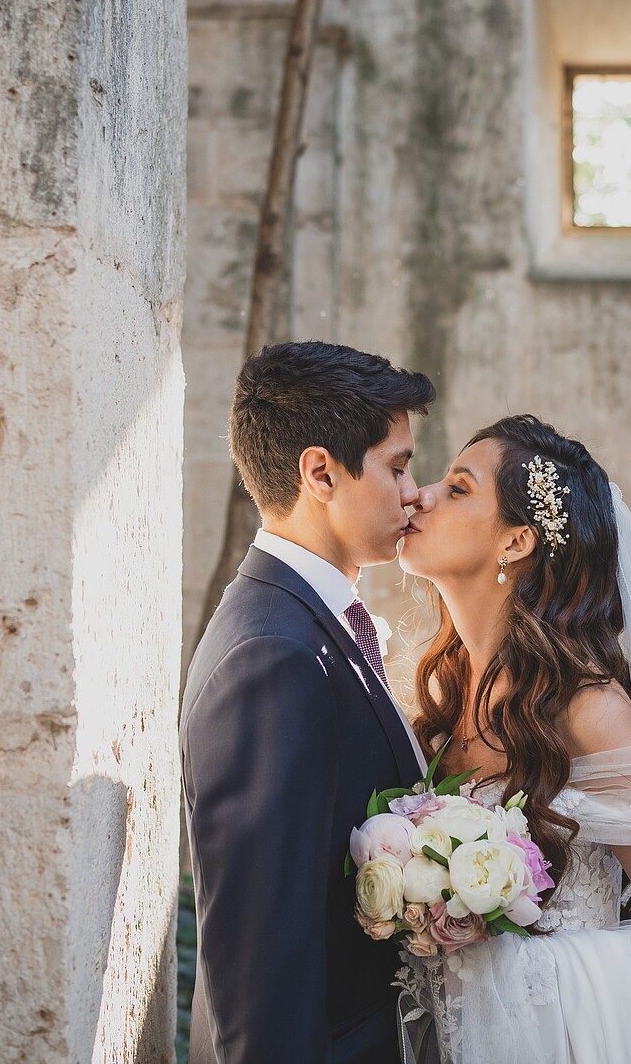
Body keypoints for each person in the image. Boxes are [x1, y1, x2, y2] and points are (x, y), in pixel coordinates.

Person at [393, 414, 631, 1064]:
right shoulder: (440, 697)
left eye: (458, 488)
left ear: (516, 541)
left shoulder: (587, 711)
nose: (420, 494)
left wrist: (512, 974)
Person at [181, 341, 436, 1064]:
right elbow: (261, 955)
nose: (414, 492)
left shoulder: (308, 621)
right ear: (320, 472)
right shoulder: (274, 655)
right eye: (397, 466)